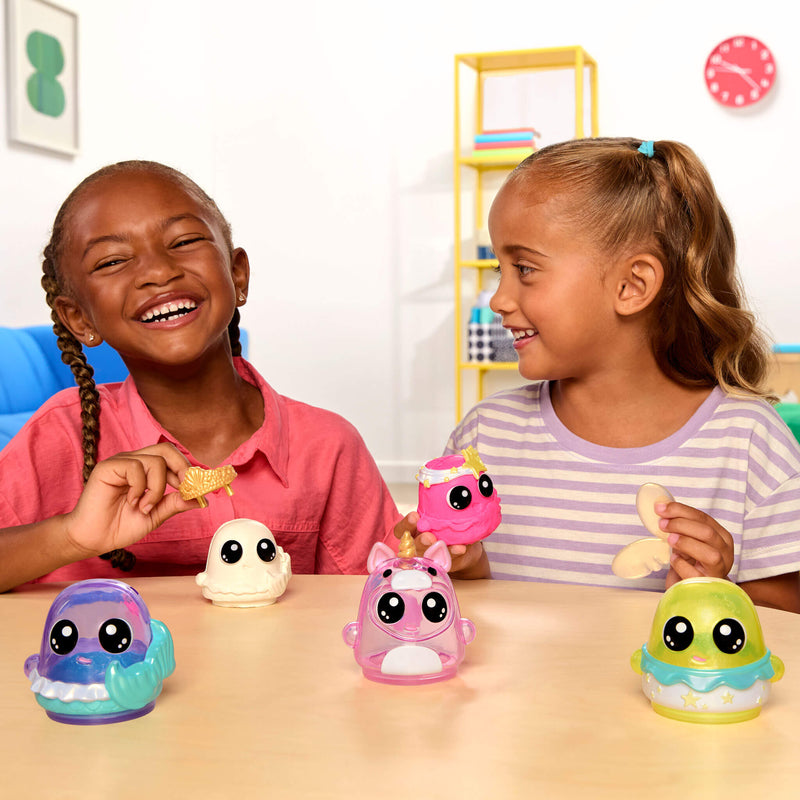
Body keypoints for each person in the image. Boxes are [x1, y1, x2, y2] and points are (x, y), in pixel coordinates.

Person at [399, 137, 800, 612]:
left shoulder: (750, 442)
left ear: (632, 286)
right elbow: (468, 613)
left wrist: (716, 593)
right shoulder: (485, 436)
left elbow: (787, 620)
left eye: (524, 269)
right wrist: (456, 567)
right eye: (499, 269)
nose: (499, 299)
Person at [0, 160, 400, 591]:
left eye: (185, 240)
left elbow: (391, 598)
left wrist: (456, 560)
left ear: (237, 274)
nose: (157, 271)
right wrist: (72, 535)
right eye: (113, 261)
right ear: (78, 318)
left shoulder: (328, 448)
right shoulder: (57, 438)